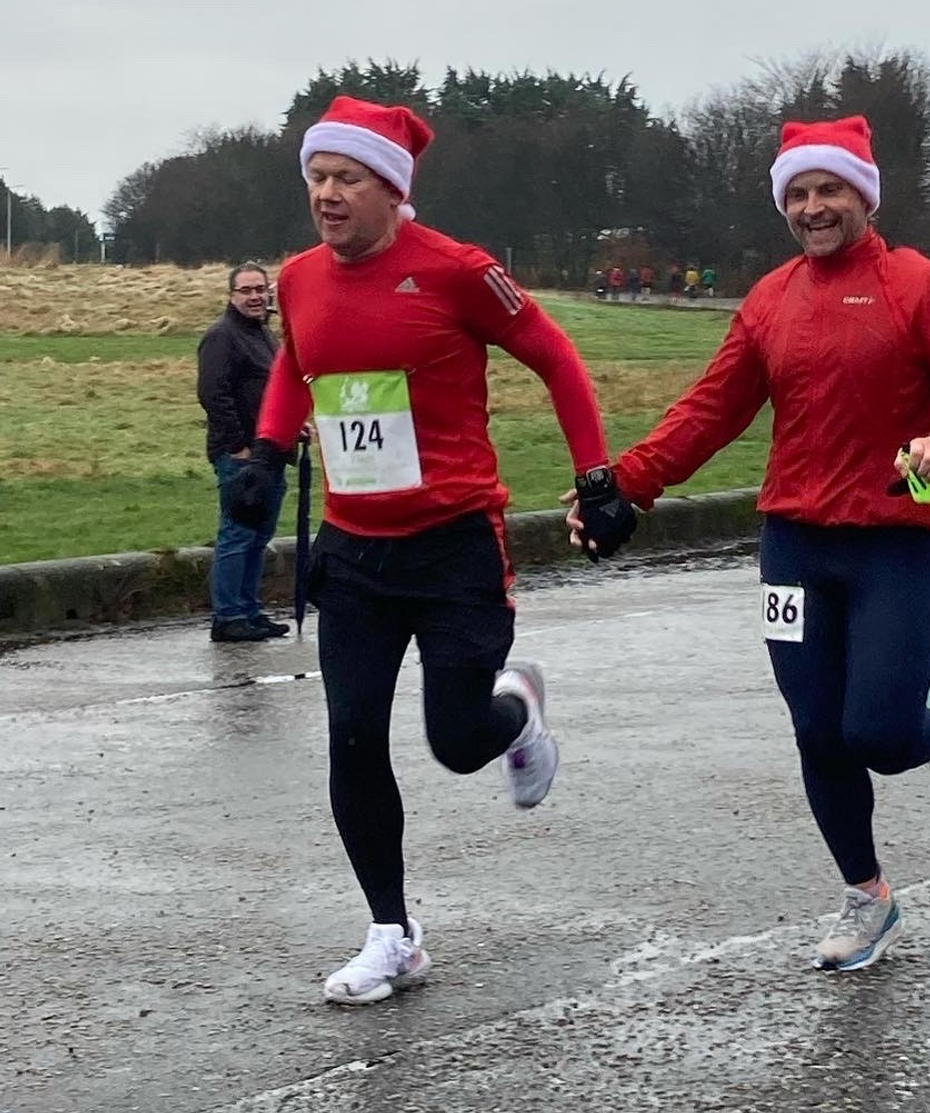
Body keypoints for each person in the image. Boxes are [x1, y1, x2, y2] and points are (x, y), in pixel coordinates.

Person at [224, 97, 637, 1005]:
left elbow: (557, 358)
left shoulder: (457, 272)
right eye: (317, 178)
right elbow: (298, 368)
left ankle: (515, 714)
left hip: (455, 547)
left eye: (347, 179)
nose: (327, 195)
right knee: (352, 738)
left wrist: (596, 477)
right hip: (355, 553)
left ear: (391, 187)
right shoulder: (297, 279)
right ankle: (392, 934)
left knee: (454, 743)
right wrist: (264, 452)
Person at [567, 115, 930, 973]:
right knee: (816, 730)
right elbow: (711, 410)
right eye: (798, 193)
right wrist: (628, 483)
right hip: (795, 547)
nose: (813, 207)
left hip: (891, 542)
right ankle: (866, 895)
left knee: (876, 729)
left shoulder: (916, 284)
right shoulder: (771, 300)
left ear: (863, 196)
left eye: (829, 189)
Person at [197, 262, 289, 643]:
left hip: (270, 451)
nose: (254, 297)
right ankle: (229, 615)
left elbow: (274, 389)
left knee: (258, 535)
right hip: (241, 456)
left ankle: (250, 610)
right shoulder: (222, 337)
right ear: (231, 296)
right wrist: (239, 446)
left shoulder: (265, 336)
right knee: (236, 534)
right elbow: (213, 394)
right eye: (246, 291)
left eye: (259, 289)